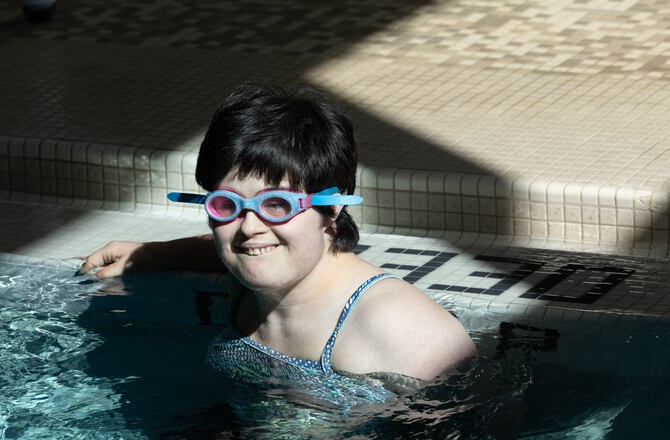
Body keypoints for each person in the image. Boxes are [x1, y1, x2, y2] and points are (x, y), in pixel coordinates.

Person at [78, 84, 476, 399]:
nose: (249, 227)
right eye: (226, 205)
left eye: (276, 205)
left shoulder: (403, 331)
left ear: (332, 207)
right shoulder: (250, 276)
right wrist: (151, 254)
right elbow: (230, 247)